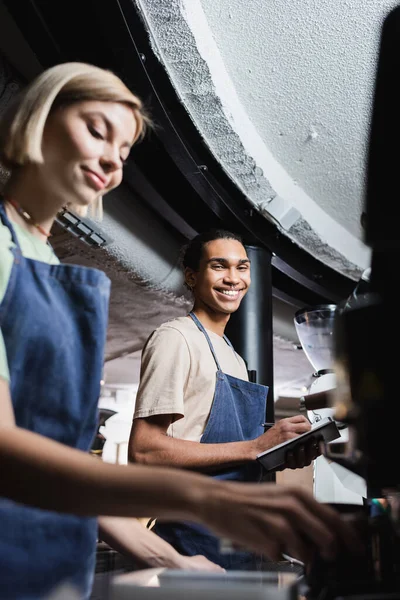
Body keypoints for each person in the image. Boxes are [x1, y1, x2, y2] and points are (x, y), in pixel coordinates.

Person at [0, 62, 357, 600]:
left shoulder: (43, 259)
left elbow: (64, 461)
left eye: (123, 152)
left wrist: (167, 556)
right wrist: (203, 500)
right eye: (97, 131)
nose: (110, 162)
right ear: (37, 118)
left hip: (54, 563)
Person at [129, 230, 321, 569]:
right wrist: (255, 448)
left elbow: (235, 455)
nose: (233, 278)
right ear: (191, 276)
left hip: (237, 535)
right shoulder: (175, 339)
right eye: (219, 266)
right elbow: (144, 451)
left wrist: (278, 453)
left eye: (242, 267)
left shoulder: (233, 358)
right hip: (189, 538)